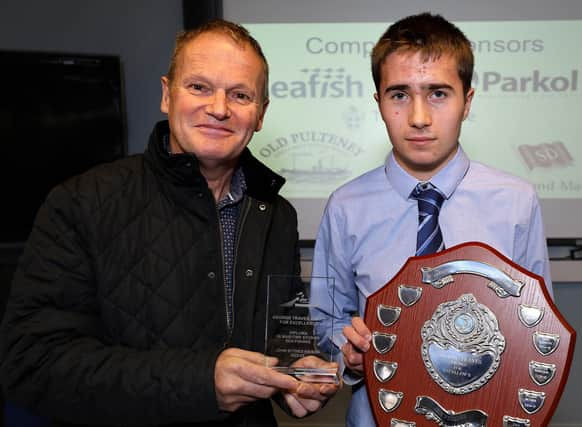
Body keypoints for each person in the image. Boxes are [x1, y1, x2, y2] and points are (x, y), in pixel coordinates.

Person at [0, 19, 339, 426]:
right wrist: (201, 382)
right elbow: (32, 365)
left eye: (240, 94)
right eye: (199, 87)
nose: (218, 108)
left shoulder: (274, 212)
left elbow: (283, 328)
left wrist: (297, 374)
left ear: (261, 114)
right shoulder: (81, 203)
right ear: (166, 94)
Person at [310, 11, 553, 426]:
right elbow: (327, 320)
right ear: (379, 103)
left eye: (438, 93)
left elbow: (539, 329)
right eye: (399, 94)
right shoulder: (345, 206)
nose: (419, 117)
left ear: (467, 101)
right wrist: (345, 351)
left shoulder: (516, 203)